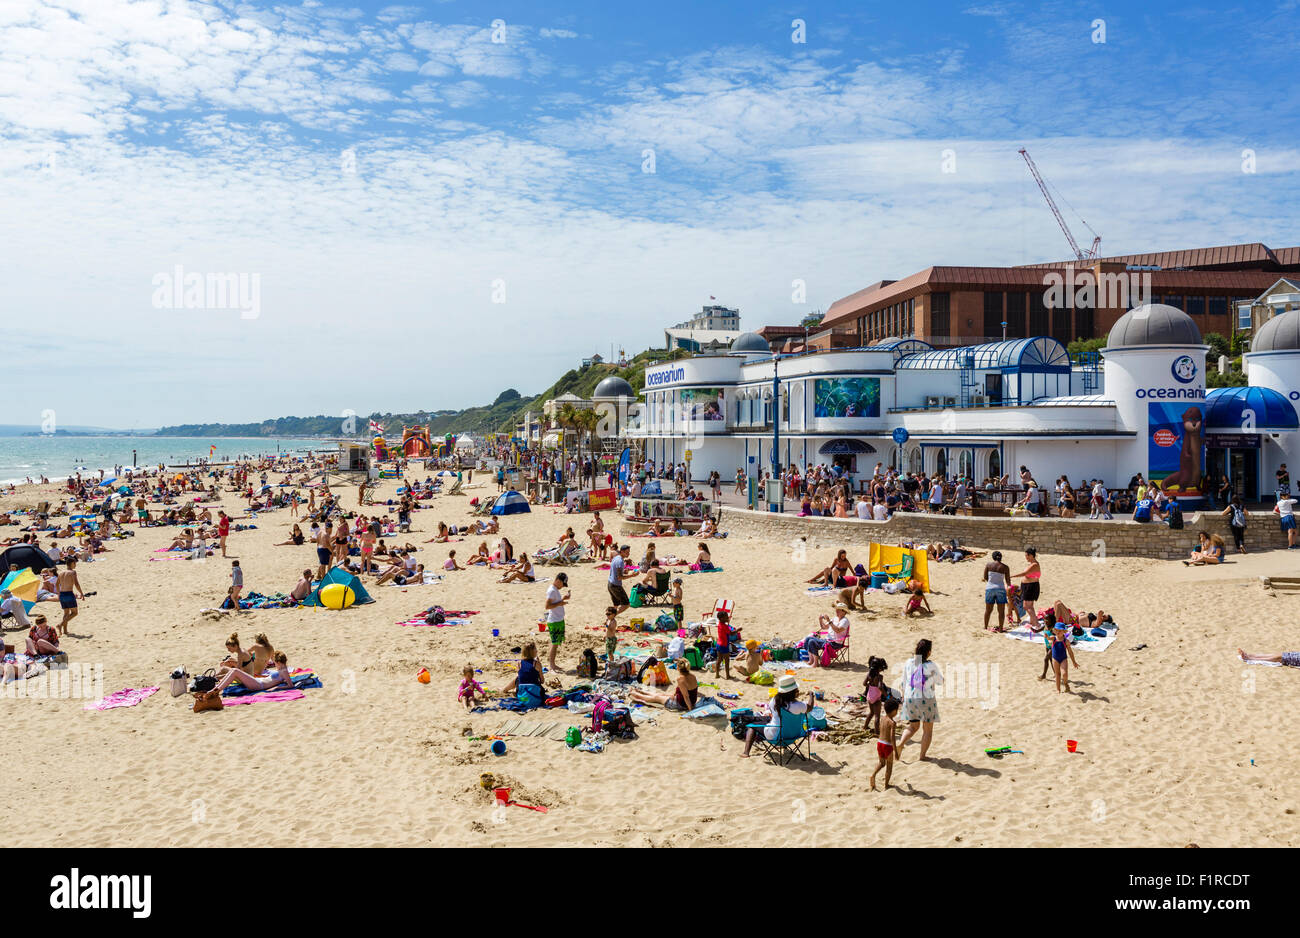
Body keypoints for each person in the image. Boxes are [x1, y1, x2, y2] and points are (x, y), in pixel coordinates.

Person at [741, 674, 812, 757]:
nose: (798, 691)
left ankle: (746, 753)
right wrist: (811, 696)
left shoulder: (775, 701)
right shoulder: (799, 705)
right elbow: (810, 707)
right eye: (796, 690)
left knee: (752, 726)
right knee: (775, 720)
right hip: (795, 735)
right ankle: (784, 745)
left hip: (776, 736)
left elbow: (774, 713)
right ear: (792, 692)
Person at [897, 638, 942, 761]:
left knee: (913, 727)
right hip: (926, 699)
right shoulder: (930, 665)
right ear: (928, 652)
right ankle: (922, 756)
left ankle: (900, 744)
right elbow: (940, 681)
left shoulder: (909, 662)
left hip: (909, 698)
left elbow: (904, 681)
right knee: (927, 730)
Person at [629, 656, 698, 711]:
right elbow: (686, 691)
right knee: (661, 694)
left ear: (678, 668)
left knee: (656, 697)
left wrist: (690, 710)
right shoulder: (693, 676)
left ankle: (634, 693)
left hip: (682, 704)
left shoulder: (680, 679)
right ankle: (641, 691)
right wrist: (673, 695)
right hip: (690, 701)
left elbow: (686, 696)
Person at [214, 651, 292, 693]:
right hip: (257, 682)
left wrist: (276, 688)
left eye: (275, 662)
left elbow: (290, 685)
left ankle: (216, 690)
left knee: (235, 671)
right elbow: (281, 679)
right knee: (233, 670)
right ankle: (216, 689)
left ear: (278, 662)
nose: (274, 664)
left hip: (259, 685)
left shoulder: (284, 671)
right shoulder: (282, 670)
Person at [805, 601, 849, 666]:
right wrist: (820, 620)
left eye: (838, 610)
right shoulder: (835, 618)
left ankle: (815, 662)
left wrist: (829, 621)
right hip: (828, 640)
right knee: (808, 639)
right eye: (836, 610)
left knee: (812, 641)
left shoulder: (845, 621)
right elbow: (824, 627)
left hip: (835, 643)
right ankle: (811, 660)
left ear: (844, 612)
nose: (836, 611)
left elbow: (838, 630)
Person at [870, 698, 901, 791]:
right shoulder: (892, 722)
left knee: (881, 763)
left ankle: (873, 775)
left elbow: (880, 730)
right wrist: (895, 751)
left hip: (880, 743)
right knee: (889, 766)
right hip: (887, 745)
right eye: (897, 710)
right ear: (894, 711)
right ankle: (886, 785)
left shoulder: (882, 718)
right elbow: (892, 738)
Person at [543, 572, 569, 672]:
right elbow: (547, 606)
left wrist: (563, 599)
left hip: (558, 620)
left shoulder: (555, 590)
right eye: (563, 584)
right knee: (554, 644)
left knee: (555, 643)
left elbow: (555, 603)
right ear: (558, 581)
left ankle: (552, 663)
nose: (563, 587)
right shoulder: (552, 591)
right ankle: (552, 665)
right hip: (554, 621)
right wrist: (561, 603)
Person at [55, 557, 85, 636]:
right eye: (75, 563)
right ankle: (60, 624)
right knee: (75, 613)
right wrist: (81, 593)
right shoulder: (73, 572)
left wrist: (58, 594)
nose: (75, 565)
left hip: (62, 594)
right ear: (72, 563)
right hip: (69, 594)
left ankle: (65, 631)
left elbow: (57, 584)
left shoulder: (61, 572)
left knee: (66, 613)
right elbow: (76, 584)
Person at [1011, 547, 1041, 623]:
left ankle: (1036, 624)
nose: (1026, 558)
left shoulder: (1034, 565)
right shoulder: (1032, 564)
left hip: (1030, 587)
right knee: (1030, 606)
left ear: (1031, 555)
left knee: (1026, 606)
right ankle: (1033, 622)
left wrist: (1012, 576)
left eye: (1026, 556)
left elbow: (1024, 574)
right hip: (1029, 586)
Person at [1048, 620, 1079, 693]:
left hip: (1063, 659)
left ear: (1064, 632)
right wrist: (1047, 637)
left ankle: (1065, 684)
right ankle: (1058, 689)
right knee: (1057, 674)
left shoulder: (1066, 641)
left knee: (1064, 674)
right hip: (1055, 658)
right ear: (1054, 631)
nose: (1058, 632)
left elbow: (1070, 652)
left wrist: (1074, 662)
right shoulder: (1054, 638)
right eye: (1057, 630)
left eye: (1060, 631)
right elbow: (1049, 638)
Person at [982, 551, 1010, 631]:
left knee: (988, 610)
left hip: (990, 588)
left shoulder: (988, 565)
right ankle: (1001, 629)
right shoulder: (1005, 567)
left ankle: (985, 627)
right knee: (1001, 611)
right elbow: (1008, 581)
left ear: (993, 557)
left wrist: (991, 582)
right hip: (1000, 589)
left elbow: (985, 577)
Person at [862, 655, 889, 736]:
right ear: (879, 668)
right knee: (877, 716)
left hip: (869, 696)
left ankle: (865, 727)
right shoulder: (879, 677)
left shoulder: (868, 675)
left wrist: (870, 686)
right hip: (877, 698)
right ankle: (877, 732)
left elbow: (864, 683)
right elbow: (880, 687)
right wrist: (887, 696)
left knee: (871, 713)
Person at [607, 543, 635, 616]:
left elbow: (616, 571)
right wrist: (631, 575)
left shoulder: (616, 557)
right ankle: (611, 616)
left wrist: (625, 570)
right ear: (621, 551)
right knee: (626, 604)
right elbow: (619, 577)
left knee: (616, 605)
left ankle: (610, 619)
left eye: (629, 552)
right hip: (616, 585)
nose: (628, 554)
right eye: (627, 552)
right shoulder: (620, 561)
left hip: (610, 583)